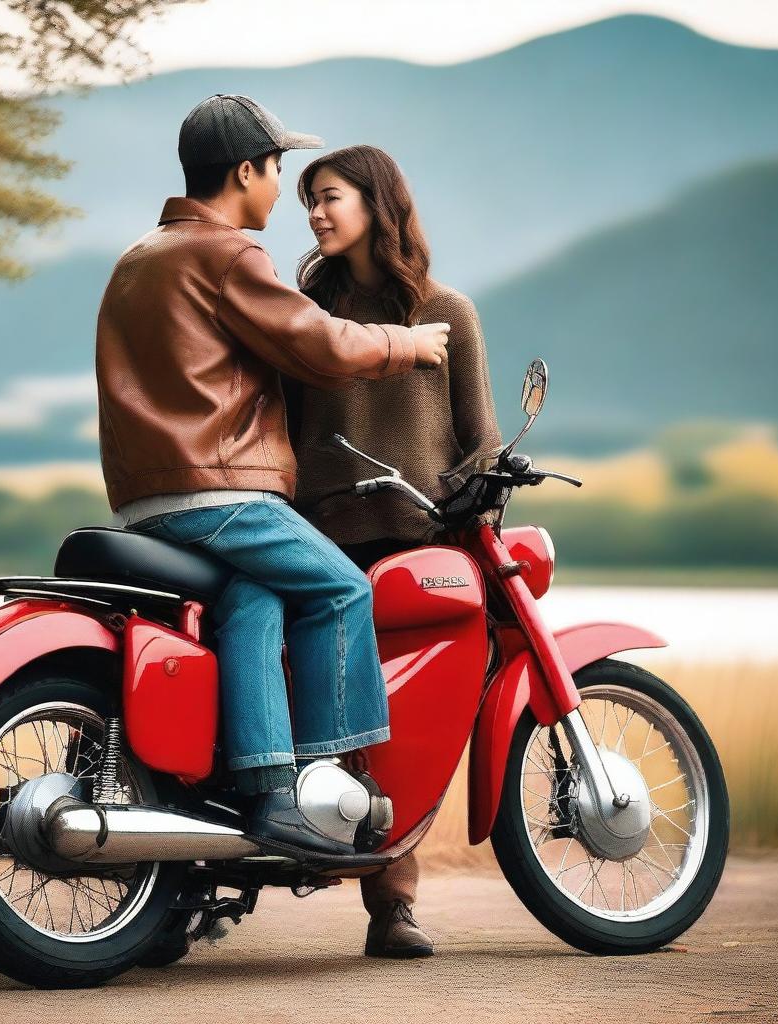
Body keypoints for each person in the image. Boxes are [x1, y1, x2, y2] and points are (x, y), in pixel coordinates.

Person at [95, 96, 451, 857]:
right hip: (218, 492)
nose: (282, 188)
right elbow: (316, 341)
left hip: (145, 499)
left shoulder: (139, 257)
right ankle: (327, 783)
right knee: (341, 588)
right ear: (246, 170)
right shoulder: (223, 254)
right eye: (278, 168)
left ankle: (268, 792)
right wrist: (405, 346)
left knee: (254, 600)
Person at [283, 145, 503, 955]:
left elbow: (479, 439)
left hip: (423, 549)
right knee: (334, 713)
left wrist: (473, 504)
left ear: (377, 202)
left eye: (329, 196)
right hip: (322, 547)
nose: (313, 213)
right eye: (307, 200)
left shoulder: (448, 309)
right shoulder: (306, 313)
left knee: (408, 725)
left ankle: (393, 908)